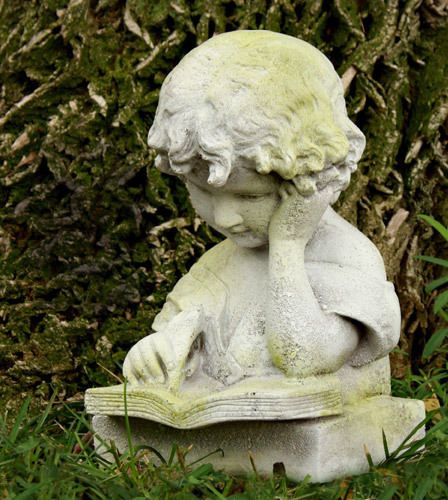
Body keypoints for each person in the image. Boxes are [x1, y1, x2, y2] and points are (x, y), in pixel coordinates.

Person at [123, 31, 400, 395]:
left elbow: (303, 359)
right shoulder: (216, 268)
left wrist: (288, 244)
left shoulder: (348, 258)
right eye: (202, 191)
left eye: (250, 197)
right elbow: (175, 342)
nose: (225, 218)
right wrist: (154, 355)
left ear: (314, 179)